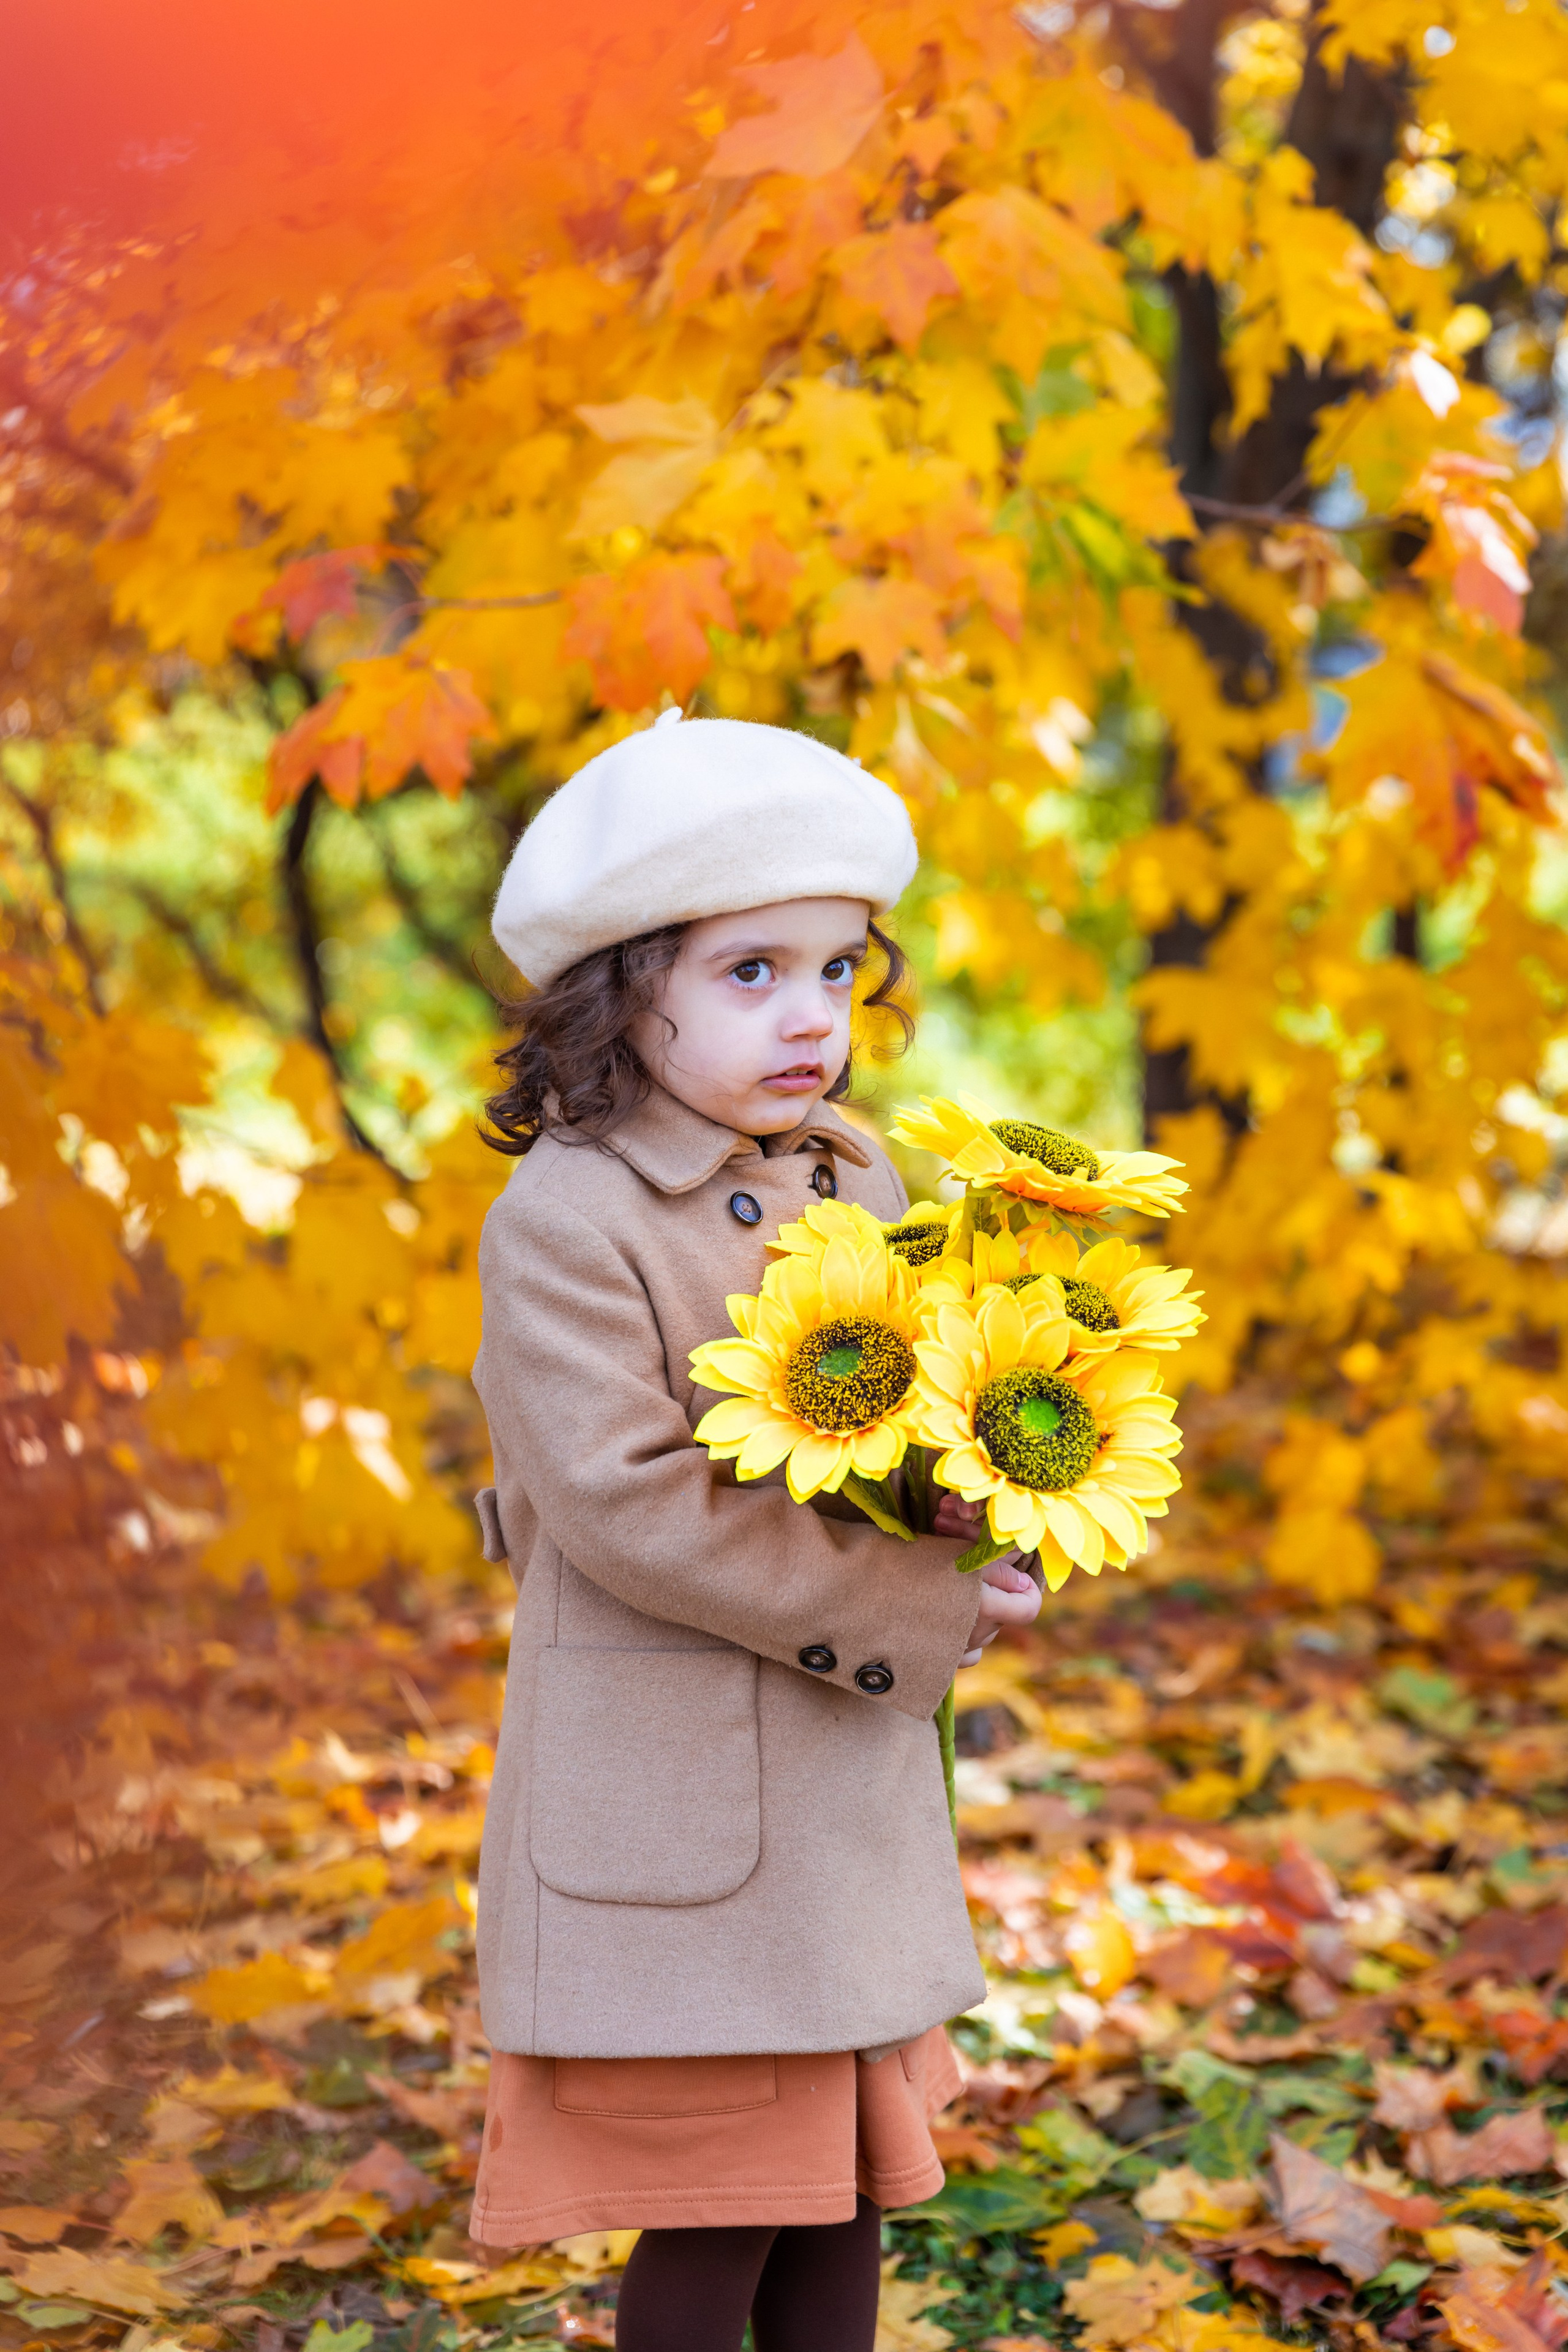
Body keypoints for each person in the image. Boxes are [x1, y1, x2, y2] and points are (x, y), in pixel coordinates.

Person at [467, 710, 1043, 2352]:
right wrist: (914, 1605)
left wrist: (990, 1500)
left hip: (834, 1791)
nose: (810, 1017)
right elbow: (625, 1498)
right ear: (619, 987)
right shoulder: (569, 1218)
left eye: (839, 973)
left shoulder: (856, 1179)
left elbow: (919, 1411)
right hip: (681, 1797)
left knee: (845, 2185)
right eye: (750, 973)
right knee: (728, 2201)